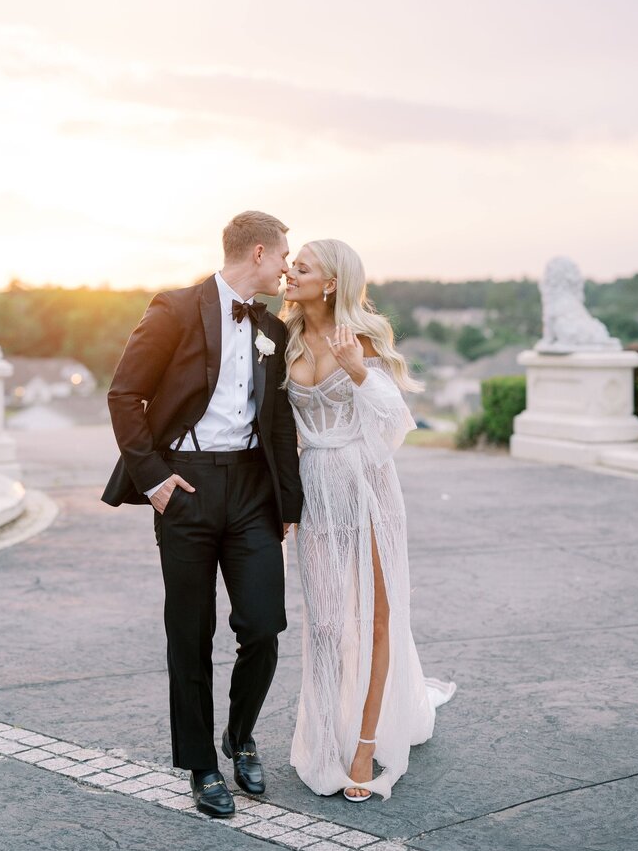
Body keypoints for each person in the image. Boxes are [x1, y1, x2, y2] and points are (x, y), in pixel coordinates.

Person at [102, 211, 303, 818]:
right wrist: (155, 480)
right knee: (189, 634)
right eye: (285, 257)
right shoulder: (175, 308)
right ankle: (201, 766)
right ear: (260, 253)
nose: (289, 268)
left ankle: (240, 737)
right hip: (184, 486)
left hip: (251, 489)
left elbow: (278, 420)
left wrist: (287, 501)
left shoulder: (272, 326)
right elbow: (123, 395)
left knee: (264, 625)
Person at [283, 239, 455, 801]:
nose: (290, 273)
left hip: (368, 487)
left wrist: (358, 371)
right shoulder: (280, 339)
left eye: (301, 268)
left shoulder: (364, 339)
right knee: (328, 622)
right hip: (315, 491)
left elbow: (395, 424)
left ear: (330, 282)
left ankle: (363, 746)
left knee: (378, 619)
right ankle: (325, 740)